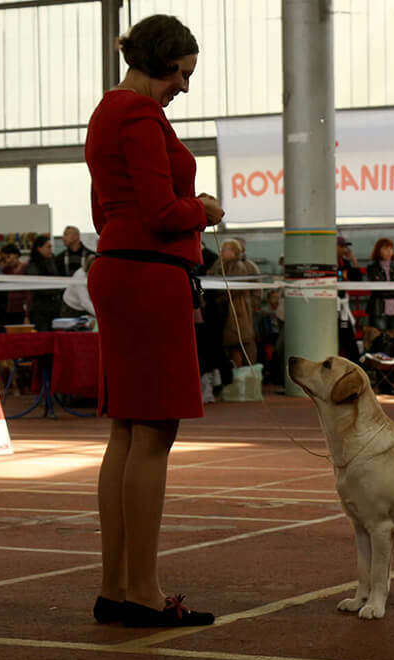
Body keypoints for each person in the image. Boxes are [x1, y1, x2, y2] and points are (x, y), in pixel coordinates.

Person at [85, 14, 224, 628]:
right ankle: (142, 591)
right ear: (162, 61)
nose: (185, 88)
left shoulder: (105, 111)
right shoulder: (140, 115)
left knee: (127, 432)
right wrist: (205, 209)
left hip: (121, 268)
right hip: (147, 276)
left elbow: (111, 207)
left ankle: (117, 587)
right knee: (154, 435)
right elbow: (162, 208)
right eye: (183, 74)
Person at [207, 238, 256, 368]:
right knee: (229, 344)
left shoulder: (238, 267)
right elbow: (210, 276)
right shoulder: (219, 263)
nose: (221, 251)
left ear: (234, 252)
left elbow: (234, 289)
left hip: (236, 310)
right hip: (223, 308)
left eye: (225, 249)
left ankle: (239, 374)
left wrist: (218, 295)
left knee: (235, 343)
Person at [365, 237, 394, 331]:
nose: (389, 251)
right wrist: (393, 292)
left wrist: (386, 292)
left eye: (391, 248)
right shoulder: (371, 268)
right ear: (378, 251)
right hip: (378, 311)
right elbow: (376, 291)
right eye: (385, 249)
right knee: (380, 340)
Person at [27, 235, 62, 331]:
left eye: (51, 247)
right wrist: (57, 289)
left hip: (54, 308)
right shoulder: (33, 265)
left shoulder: (53, 261)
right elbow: (37, 287)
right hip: (40, 310)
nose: (51, 249)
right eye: (48, 247)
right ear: (39, 248)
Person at [337, 235, 363, 362]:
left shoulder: (345, 264)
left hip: (342, 308)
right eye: (341, 246)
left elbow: (357, 278)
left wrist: (353, 259)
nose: (344, 249)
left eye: (345, 247)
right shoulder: (326, 263)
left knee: (348, 339)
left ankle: (355, 365)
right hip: (327, 308)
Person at [0, 243, 30, 327]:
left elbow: (28, 293)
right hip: (8, 310)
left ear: (16, 254)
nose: (7, 261)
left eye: (8, 256)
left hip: (22, 310)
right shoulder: (6, 271)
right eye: (5, 259)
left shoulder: (26, 268)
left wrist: (27, 315)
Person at [61, 253, 97, 318]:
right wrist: (100, 315)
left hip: (83, 308)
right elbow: (85, 302)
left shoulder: (95, 275)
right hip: (70, 308)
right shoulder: (80, 275)